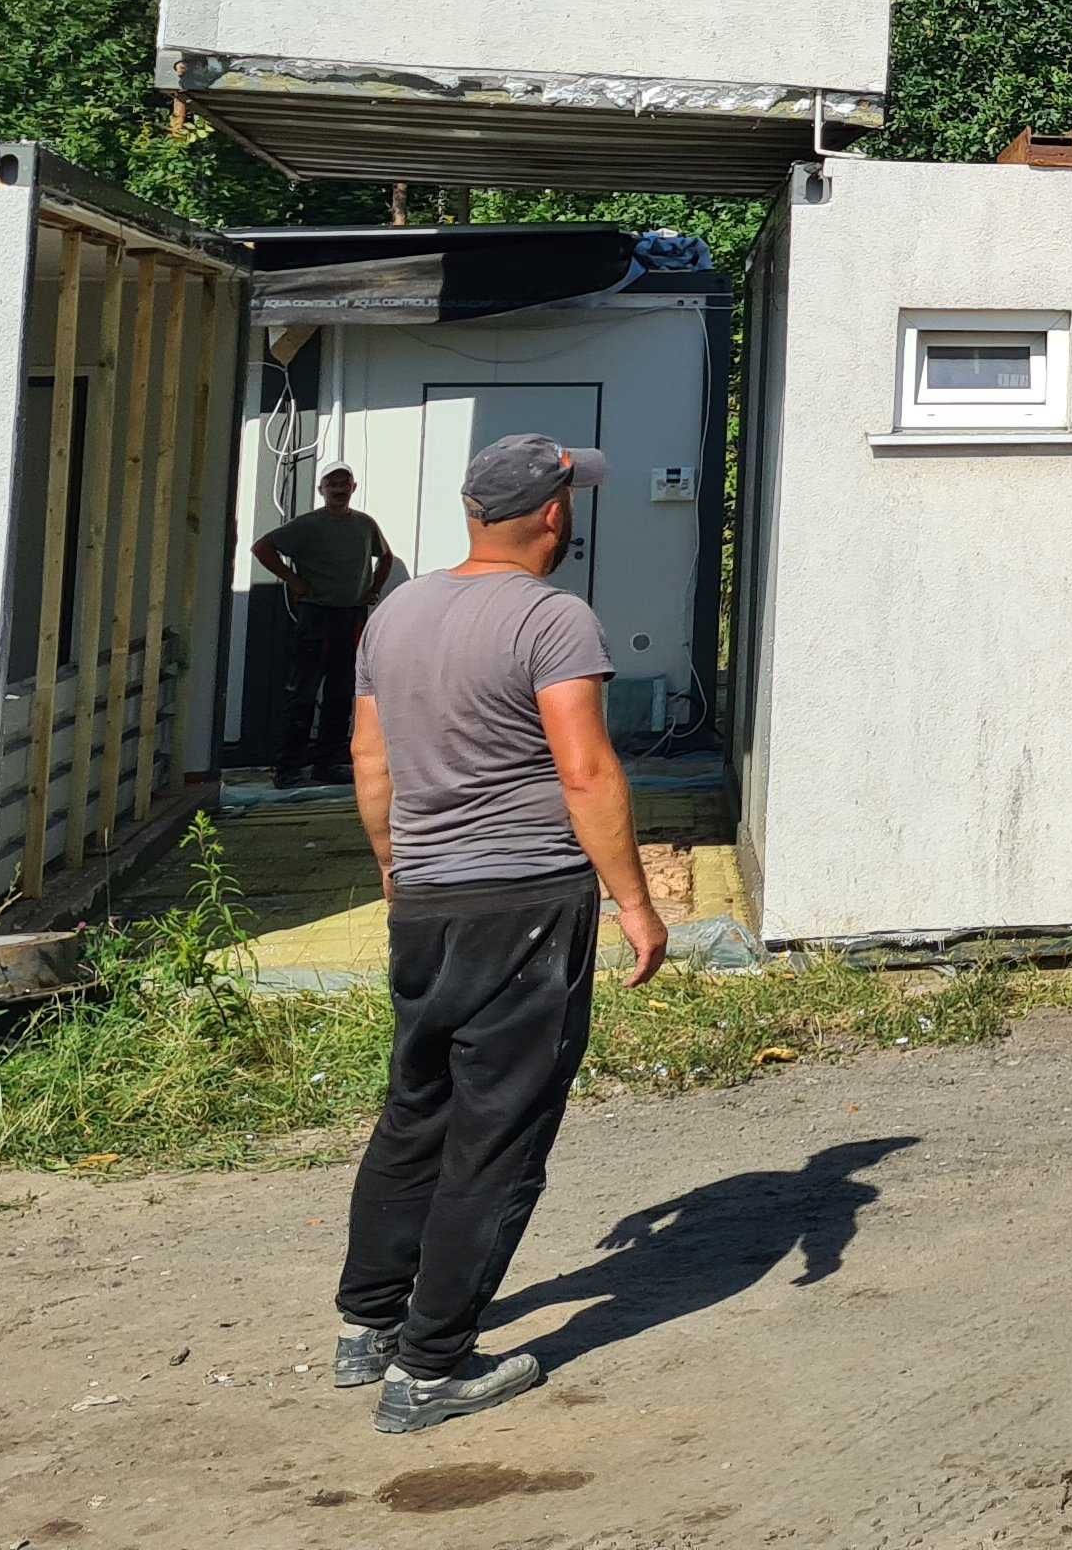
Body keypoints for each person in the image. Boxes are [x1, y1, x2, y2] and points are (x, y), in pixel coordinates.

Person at [334, 435, 668, 1435]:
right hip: (523, 903)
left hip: (428, 901)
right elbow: (587, 773)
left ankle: (369, 1324)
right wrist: (637, 902)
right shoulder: (553, 620)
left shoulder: (394, 615)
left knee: (416, 1112)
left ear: (476, 511)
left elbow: (369, 757)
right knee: (499, 1135)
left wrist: (397, 868)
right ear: (555, 515)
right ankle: (432, 1368)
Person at [254, 466, 399, 788]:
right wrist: (292, 579)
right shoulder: (308, 524)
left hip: (352, 616)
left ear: (353, 487)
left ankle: (328, 764)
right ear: (321, 489)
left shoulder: (364, 524)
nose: (338, 488)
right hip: (316, 615)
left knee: (341, 692)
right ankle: (289, 768)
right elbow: (262, 547)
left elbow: (386, 557)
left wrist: (373, 589)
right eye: (331, 483)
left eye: (343, 482)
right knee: (302, 692)